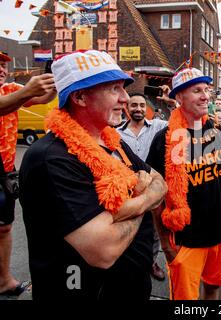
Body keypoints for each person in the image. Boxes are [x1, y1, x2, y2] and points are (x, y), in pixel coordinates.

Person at [19, 50, 167, 300]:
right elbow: (104, 251)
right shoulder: (50, 158)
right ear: (80, 97)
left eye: (123, 88)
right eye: (114, 89)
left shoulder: (113, 141)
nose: (125, 98)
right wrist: (143, 198)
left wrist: (128, 206)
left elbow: (160, 183)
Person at [146, 67, 221, 300]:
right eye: (197, 90)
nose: (205, 96)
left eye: (206, 90)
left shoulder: (216, 130)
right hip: (186, 240)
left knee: (212, 287)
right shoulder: (163, 140)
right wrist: (166, 245)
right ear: (179, 97)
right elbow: (155, 195)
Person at [0, 51, 56, 296]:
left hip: (4, 171)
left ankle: (4, 280)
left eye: (3, 65)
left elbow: (42, 98)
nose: (2, 69)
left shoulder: (11, 88)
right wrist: (26, 91)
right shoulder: (15, 91)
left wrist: (52, 80)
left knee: (4, 228)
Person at [117, 92, 167, 281]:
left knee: (154, 230)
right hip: (129, 192)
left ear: (146, 108)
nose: (138, 109)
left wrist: (171, 104)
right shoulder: (116, 132)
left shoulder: (159, 126)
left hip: (154, 190)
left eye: (141, 105)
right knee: (130, 228)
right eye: (134, 105)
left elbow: (181, 123)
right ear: (127, 108)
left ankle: (152, 262)